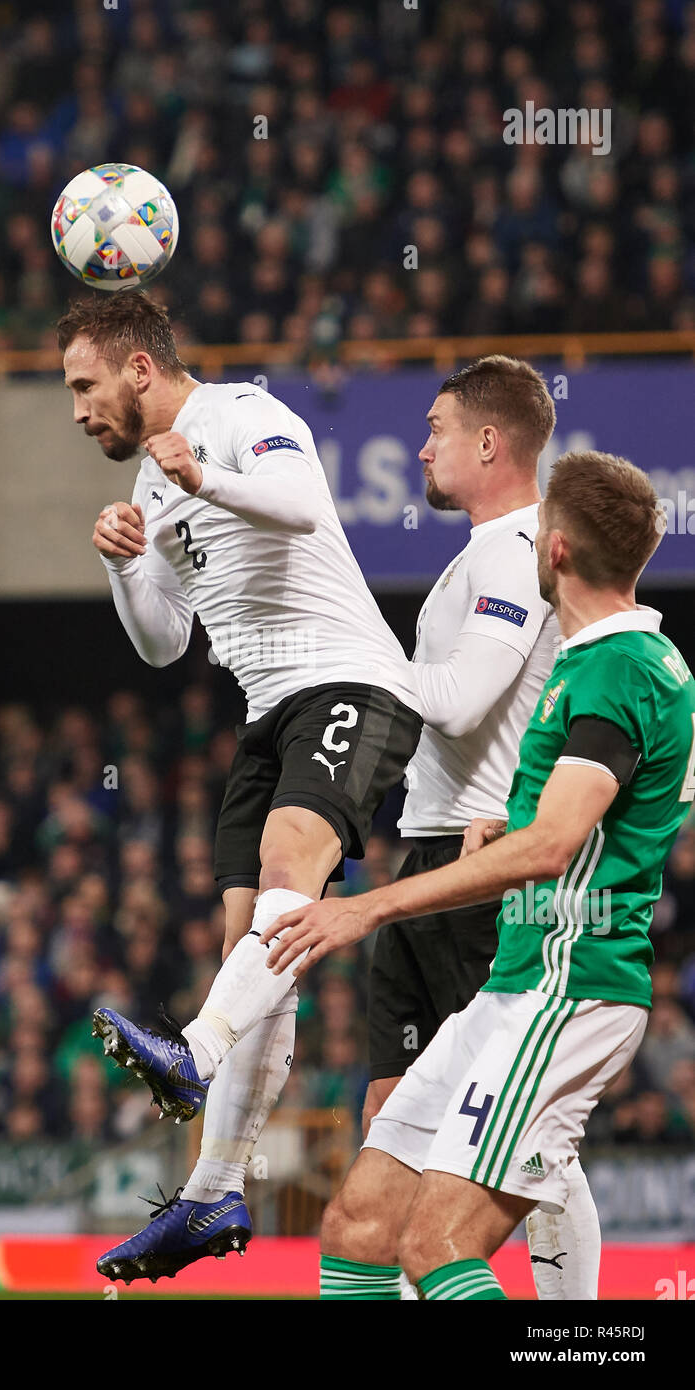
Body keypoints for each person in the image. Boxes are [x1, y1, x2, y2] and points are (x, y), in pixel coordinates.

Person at [261, 450, 695, 1300]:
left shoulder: (617, 668)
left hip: (568, 990)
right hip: (514, 985)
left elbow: (553, 849)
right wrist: (515, 824)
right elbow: (605, 810)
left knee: (440, 1246)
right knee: (359, 1226)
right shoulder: (615, 661)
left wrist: (367, 910)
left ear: (557, 548)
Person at [58, 290, 424, 1280]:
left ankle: (191, 1057)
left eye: (86, 385)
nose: (79, 408)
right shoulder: (148, 477)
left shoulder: (242, 417)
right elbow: (162, 642)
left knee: (282, 866)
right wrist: (125, 568)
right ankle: (213, 1194)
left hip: (349, 680)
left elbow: (306, 507)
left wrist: (208, 477)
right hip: (265, 715)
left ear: (140, 368)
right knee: (256, 948)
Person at [361, 355, 599, 1300]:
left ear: (489, 442)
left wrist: (354, 657)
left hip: (482, 865)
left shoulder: (515, 551)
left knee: (525, 1135)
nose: (422, 447)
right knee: (391, 1113)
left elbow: (461, 704)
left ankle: (577, 1327)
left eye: (437, 429)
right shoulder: (485, 552)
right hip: (429, 848)